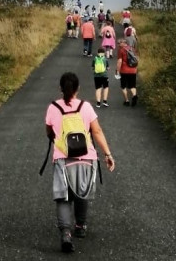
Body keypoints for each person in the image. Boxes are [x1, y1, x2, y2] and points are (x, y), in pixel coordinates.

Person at [45, 72, 115, 253]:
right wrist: (107, 154)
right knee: (81, 192)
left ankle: (66, 233)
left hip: (62, 158)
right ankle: (81, 226)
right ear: (77, 89)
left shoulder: (53, 108)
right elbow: (97, 131)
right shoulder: (86, 107)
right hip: (86, 158)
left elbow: (49, 132)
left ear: (61, 88)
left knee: (63, 197)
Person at [116, 38, 138, 106]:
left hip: (124, 71)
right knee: (132, 86)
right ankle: (134, 95)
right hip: (133, 70)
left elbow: (120, 61)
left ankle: (127, 100)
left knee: (123, 86)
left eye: (119, 43)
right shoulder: (133, 49)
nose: (118, 45)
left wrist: (117, 71)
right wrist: (135, 68)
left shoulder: (121, 50)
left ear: (123, 43)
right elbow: (137, 59)